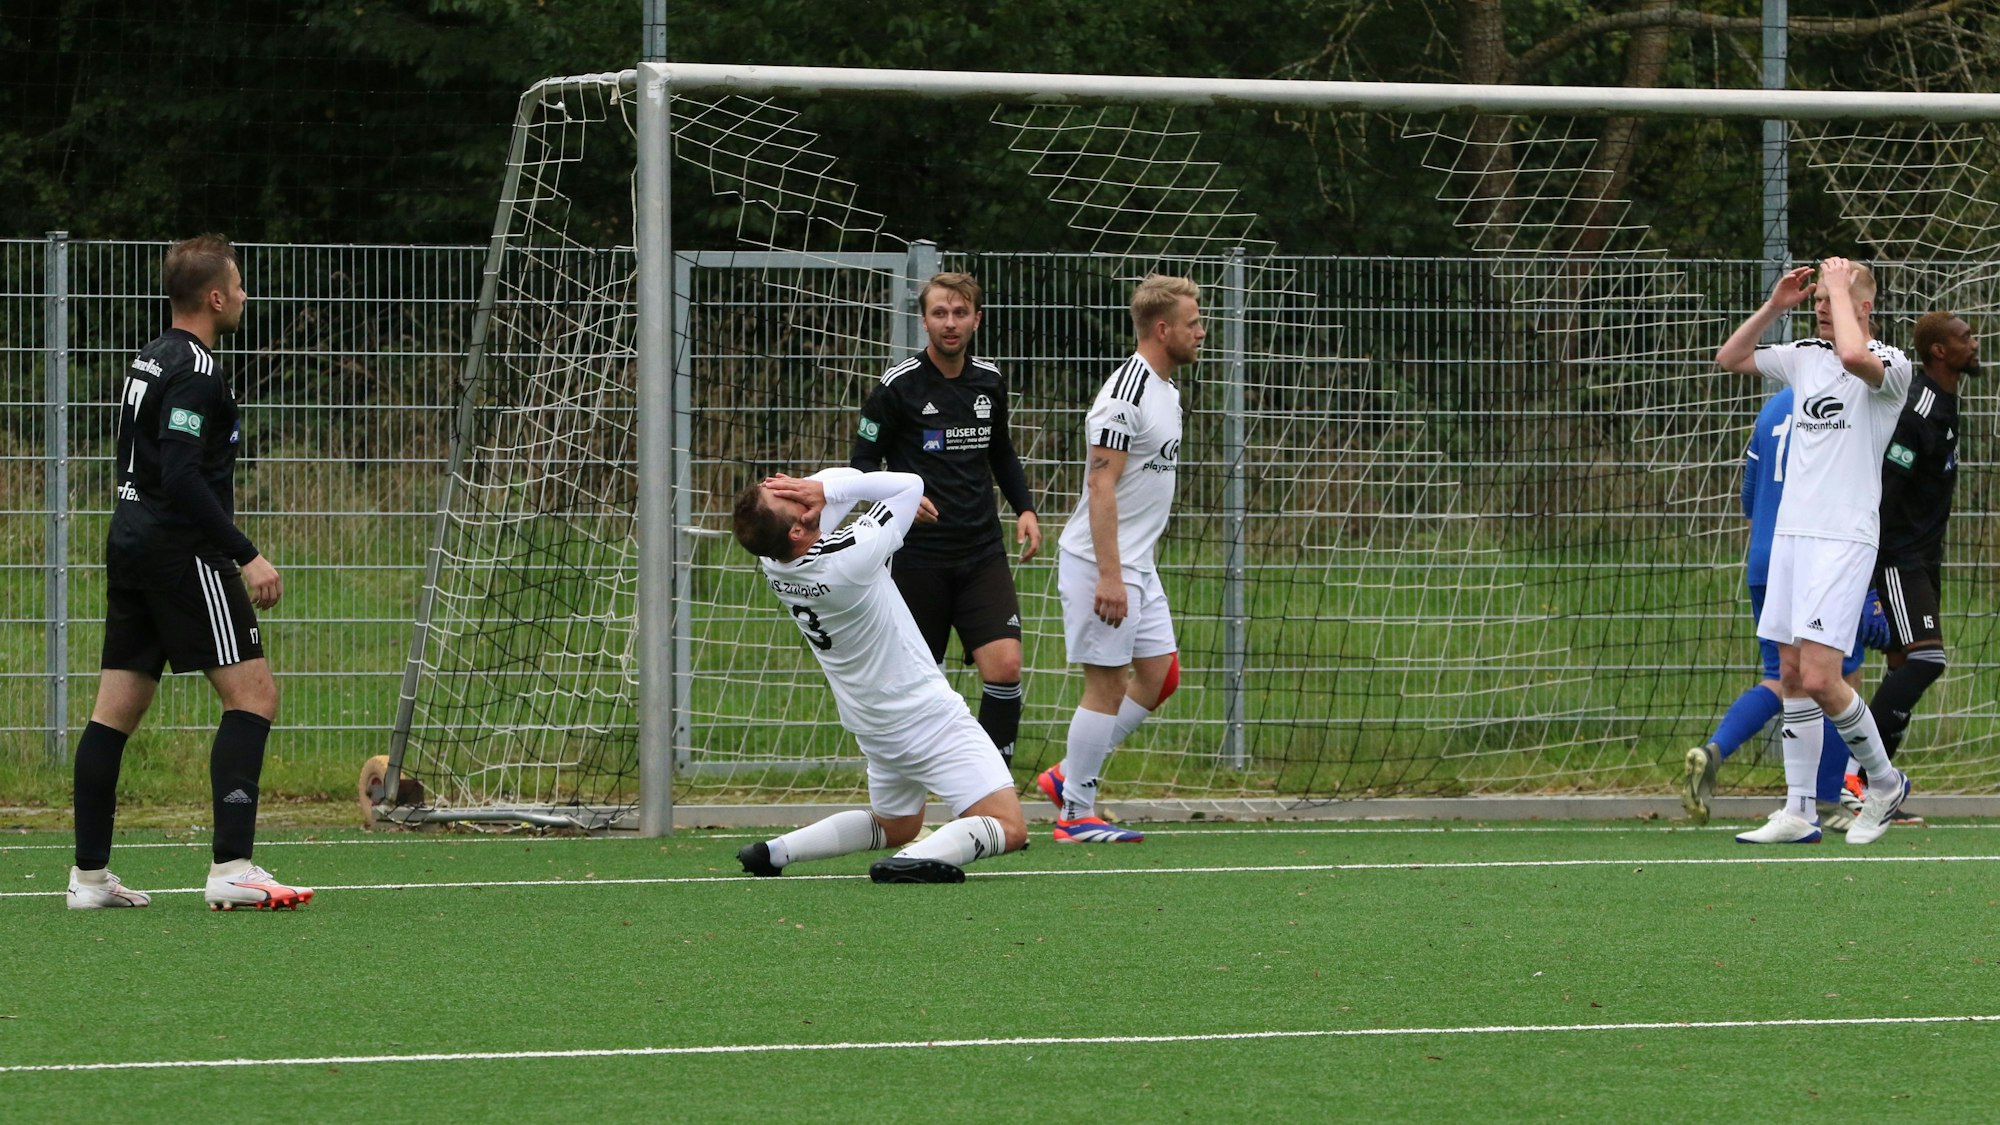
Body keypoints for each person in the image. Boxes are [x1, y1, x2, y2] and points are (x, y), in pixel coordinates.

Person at [67, 234, 312, 911]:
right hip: (180, 552)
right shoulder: (198, 370)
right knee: (254, 696)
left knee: (115, 710)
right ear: (213, 296)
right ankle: (232, 865)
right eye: (236, 285)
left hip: (130, 540)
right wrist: (244, 551)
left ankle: (89, 879)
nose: (243, 295)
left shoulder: (151, 356)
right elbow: (179, 472)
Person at [731, 467, 1029, 883]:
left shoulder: (774, 557)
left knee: (896, 825)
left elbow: (843, 489)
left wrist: (818, 492)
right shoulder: (849, 557)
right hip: (925, 716)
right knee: (1010, 826)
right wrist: (828, 490)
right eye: (791, 496)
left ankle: (775, 852)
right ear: (798, 530)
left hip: (871, 722)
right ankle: (911, 861)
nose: (802, 491)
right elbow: (909, 484)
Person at [1713, 257, 1912, 846]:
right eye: (1820, 297)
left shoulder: (1893, 364)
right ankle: (1798, 811)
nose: (1822, 304)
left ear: (1865, 307)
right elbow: (1730, 359)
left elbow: (1855, 357)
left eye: (1834, 296)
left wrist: (1838, 287)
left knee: (1826, 678)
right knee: (1794, 673)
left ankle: (1883, 781)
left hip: (1842, 539)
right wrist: (1776, 306)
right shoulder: (1804, 355)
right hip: (1793, 539)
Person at [1035, 274, 1204, 844]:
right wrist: (1110, 575)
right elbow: (1100, 486)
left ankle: (1066, 774)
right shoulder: (1125, 392)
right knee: (1105, 685)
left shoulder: (1167, 390)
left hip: (1138, 562)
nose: (1201, 332)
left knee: (1161, 676)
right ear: (1163, 329)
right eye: (1192, 323)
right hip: (1100, 564)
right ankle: (1075, 813)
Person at [851, 272, 1040, 764]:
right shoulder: (897, 387)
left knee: (1005, 667)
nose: (950, 323)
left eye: (960, 313)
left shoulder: (990, 382)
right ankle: (912, 792)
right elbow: (861, 466)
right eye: (940, 313)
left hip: (981, 553)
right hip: (918, 559)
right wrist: (900, 502)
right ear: (924, 320)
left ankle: (991, 790)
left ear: (976, 319)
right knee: (919, 683)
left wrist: (1025, 509)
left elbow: (1001, 452)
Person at [1681, 387, 1890, 829]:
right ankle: (1829, 799)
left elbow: (1748, 501)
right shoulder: (1849, 402)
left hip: (1766, 559)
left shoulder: (1774, 406)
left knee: (1782, 676)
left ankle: (1717, 749)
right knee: (1839, 675)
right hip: (1820, 561)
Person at [1865, 311, 1976, 767]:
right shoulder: (1919, 410)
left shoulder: (1947, 400)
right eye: (1965, 338)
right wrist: (1872, 577)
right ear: (1939, 351)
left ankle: (1871, 786)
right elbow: (1888, 489)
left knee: (1899, 664)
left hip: (1925, 558)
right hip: (1899, 557)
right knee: (1927, 660)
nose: (1974, 343)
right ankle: (1855, 770)